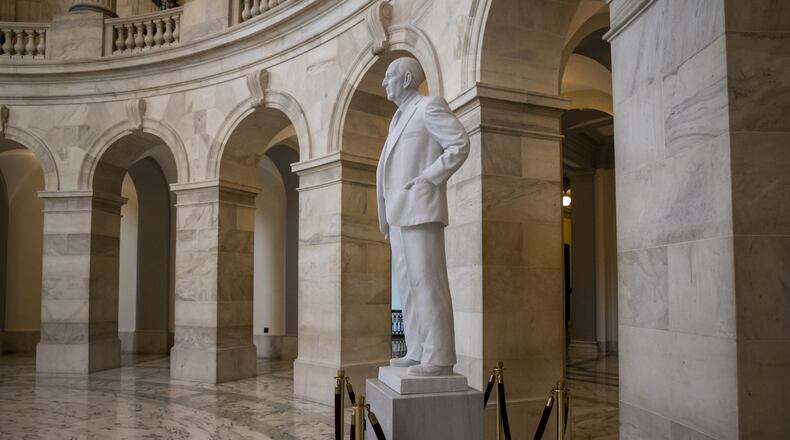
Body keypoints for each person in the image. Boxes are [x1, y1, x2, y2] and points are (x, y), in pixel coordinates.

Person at [376, 57, 470, 376]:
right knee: (409, 285)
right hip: (398, 215)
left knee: (427, 282)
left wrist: (429, 178)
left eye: (388, 77)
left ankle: (440, 355)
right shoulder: (397, 119)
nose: (383, 82)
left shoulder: (429, 107)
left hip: (420, 208)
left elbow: (459, 144)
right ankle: (416, 349)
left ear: (405, 79)